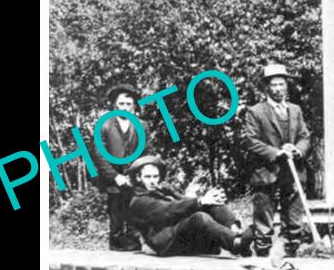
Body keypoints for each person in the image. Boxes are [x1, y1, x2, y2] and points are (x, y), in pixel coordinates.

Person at [240, 64, 311, 258]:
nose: (278, 89)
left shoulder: (295, 110)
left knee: (294, 219)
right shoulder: (256, 112)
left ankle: (289, 257)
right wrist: (276, 152)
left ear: (287, 86)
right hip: (266, 172)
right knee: (264, 220)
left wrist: (298, 150)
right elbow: (251, 141)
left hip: (293, 172)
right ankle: (263, 259)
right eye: (274, 85)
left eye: (282, 84)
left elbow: (305, 136)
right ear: (266, 87)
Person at [126, 155, 255, 257]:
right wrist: (199, 201)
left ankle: (236, 232)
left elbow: (185, 201)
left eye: (155, 176)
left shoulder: (163, 190)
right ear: (138, 178)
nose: (153, 180)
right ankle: (236, 243)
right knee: (199, 217)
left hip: (181, 236)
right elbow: (169, 210)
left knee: (212, 203)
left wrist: (205, 201)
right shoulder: (138, 200)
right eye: (147, 177)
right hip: (165, 244)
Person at [91, 84, 144, 251]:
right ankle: (116, 250)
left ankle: (135, 248)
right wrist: (115, 176)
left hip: (135, 178)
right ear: (114, 105)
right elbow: (99, 156)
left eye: (129, 104)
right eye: (121, 104)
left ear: (134, 105)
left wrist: (139, 175)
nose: (125, 108)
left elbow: (147, 152)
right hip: (113, 180)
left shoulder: (142, 126)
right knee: (116, 217)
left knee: (135, 215)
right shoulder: (104, 125)